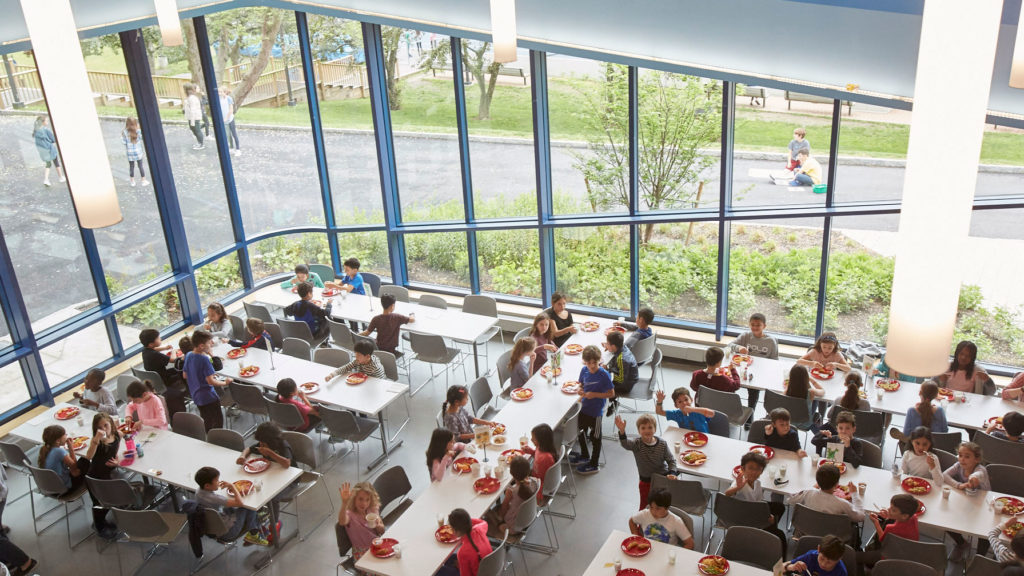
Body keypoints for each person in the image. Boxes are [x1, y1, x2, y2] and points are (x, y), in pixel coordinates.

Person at [723, 451, 786, 550]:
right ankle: (764, 533)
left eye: (758, 469)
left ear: (761, 471)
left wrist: (768, 516)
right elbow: (727, 494)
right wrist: (737, 488)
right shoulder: (739, 483)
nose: (754, 472)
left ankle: (767, 529)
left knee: (780, 507)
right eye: (750, 468)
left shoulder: (758, 484)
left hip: (754, 510)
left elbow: (760, 503)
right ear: (743, 469)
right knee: (780, 535)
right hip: (744, 517)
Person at [615, 414, 679, 510]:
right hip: (646, 481)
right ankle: (642, 523)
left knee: (662, 504)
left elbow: (671, 460)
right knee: (645, 504)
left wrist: (672, 472)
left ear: (655, 429)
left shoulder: (662, 443)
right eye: (643, 428)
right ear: (639, 431)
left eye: (650, 427)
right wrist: (622, 431)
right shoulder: (637, 444)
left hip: (662, 478)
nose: (647, 430)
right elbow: (625, 444)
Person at [570, 345, 615, 476]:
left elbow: (611, 394)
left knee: (596, 438)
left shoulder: (603, 375)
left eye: (594, 362)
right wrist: (580, 389)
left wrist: (594, 394)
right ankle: (584, 455)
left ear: (599, 360)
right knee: (580, 432)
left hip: (595, 412)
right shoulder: (584, 370)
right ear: (584, 362)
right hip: (584, 408)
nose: (592, 366)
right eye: (589, 363)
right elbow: (581, 384)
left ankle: (594, 464)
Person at [194, 466, 265, 545]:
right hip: (228, 532)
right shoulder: (214, 498)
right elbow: (240, 503)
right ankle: (253, 534)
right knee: (248, 507)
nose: (219, 482)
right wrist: (232, 486)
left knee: (232, 507)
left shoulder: (198, 492)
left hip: (213, 528)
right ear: (207, 486)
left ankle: (255, 520)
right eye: (217, 480)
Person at [728, 312, 779, 419]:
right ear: (749, 324)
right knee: (729, 383)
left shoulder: (771, 341)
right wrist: (739, 348)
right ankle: (730, 410)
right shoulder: (745, 336)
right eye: (752, 325)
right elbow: (729, 345)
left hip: (759, 372)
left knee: (753, 392)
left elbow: (775, 361)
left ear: (764, 326)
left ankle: (749, 416)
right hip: (742, 368)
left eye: (758, 325)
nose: (755, 327)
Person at [945, 442, 990, 560]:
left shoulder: (981, 470)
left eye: (967, 456)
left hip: (984, 507)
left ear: (977, 459)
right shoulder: (958, 465)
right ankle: (961, 543)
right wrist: (959, 485)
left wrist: (972, 478)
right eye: (960, 455)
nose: (962, 459)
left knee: (985, 533)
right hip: (966, 503)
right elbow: (945, 475)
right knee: (946, 520)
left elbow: (978, 475)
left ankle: (980, 557)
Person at [183, 330, 231, 431]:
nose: (212, 344)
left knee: (207, 419)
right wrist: (225, 382)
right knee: (217, 421)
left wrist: (208, 373)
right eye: (209, 342)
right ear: (201, 346)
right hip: (208, 396)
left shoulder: (188, 355)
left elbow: (185, 375)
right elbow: (211, 382)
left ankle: (209, 437)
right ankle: (217, 440)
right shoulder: (204, 359)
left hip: (196, 395)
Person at [786, 463, 865, 524]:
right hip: (831, 536)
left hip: (807, 529)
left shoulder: (808, 492)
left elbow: (790, 500)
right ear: (836, 484)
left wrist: (813, 488)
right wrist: (854, 494)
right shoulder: (842, 504)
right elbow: (860, 517)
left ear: (817, 481)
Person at [85, 413, 122, 539]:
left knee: (108, 500)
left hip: (107, 474)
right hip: (95, 477)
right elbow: (89, 456)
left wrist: (116, 463)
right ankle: (99, 526)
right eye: (99, 427)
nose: (104, 429)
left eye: (106, 425)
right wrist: (96, 440)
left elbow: (114, 454)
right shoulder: (97, 441)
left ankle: (102, 522)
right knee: (99, 504)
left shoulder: (117, 435)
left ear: (111, 423)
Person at [859, 493, 920, 568]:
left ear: (904, 516)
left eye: (893, 510)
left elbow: (882, 539)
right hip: (908, 552)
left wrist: (876, 523)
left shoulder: (890, 528)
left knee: (856, 556)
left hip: (889, 556)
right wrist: (890, 516)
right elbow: (900, 523)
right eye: (890, 507)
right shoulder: (914, 517)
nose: (888, 510)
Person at [483, 456, 538, 538]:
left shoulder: (513, 491)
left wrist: (500, 517)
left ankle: (498, 524)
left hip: (513, 527)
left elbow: (503, 509)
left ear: (511, 473)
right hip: (528, 517)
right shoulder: (535, 482)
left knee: (487, 512)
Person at [139, 328, 185, 416]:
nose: (160, 339)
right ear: (151, 343)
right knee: (181, 370)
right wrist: (174, 351)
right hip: (164, 380)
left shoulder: (145, 351)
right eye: (158, 338)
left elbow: (154, 349)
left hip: (155, 380)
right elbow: (173, 359)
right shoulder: (155, 355)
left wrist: (164, 348)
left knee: (174, 370)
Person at [628, 489, 694, 548]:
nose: (653, 512)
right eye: (651, 507)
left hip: (667, 553)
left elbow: (690, 543)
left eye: (658, 508)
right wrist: (636, 537)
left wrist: (675, 556)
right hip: (647, 549)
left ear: (667, 508)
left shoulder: (676, 521)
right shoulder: (645, 514)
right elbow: (631, 521)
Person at [337, 481, 385, 560]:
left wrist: (379, 526)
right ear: (354, 498)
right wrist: (344, 503)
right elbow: (342, 521)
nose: (364, 503)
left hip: (377, 545)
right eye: (360, 499)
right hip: (362, 552)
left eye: (367, 500)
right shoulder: (350, 515)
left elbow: (382, 531)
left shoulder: (372, 509)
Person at [38, 425, 88, 494]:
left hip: (51, 486)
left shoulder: (46, 448)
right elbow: (74, 467)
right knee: (85, 461)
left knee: (80, 465)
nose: (66, 435)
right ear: (58, 441)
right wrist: (71, 447)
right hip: (65, 487)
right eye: (64, 434)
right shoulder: (59, 451)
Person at [447, 508, 492, 576]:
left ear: (455, 531)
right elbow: (484, 522)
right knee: (450, 558)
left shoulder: (463, 552)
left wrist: (460, 566)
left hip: (479, 573)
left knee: (441, 570)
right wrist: (465, 521)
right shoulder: (479, 529)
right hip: (491, 568)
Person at [603, 331, 638, 416]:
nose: (606, 345)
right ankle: (612, 400)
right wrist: (608, 347)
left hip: (626, 385)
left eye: (608, 344)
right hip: (630, 377)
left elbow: (620, 379)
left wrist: (607, 370)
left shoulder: (622, 359)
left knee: (600, 385)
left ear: (614, 346)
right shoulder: (623, 347)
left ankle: (607, 405)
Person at [521, 423, 557, 502]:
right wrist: (531, 451)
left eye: (533, 439)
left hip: (539, 486)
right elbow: (537, 454)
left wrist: (536, 492)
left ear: (541, 441)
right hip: (534, 477)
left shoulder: (547, 458)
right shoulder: (540, 447)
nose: (531, 440)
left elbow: (547, 480)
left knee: (512, 489)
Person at [783, 534, 848, 576]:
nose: (823, 564)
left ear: (839, 559)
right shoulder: (811, 556)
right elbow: (780, 567)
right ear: (818, 549)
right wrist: (791, 567)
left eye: (829, 562)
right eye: (822, 558)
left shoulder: (841, 572)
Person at [785, 364, 825, 429]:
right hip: (805, 424)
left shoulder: (787, 391)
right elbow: (822, 391)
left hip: (788, 422)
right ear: (806, 377)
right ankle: (820, 424)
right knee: (816, 400)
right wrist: (813, 381)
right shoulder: (811, 392)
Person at [32, 115, 65, 186]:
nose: (47, 122)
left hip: (43, 151)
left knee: (48, 164)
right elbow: (53, 139)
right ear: (42, 122)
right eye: (46, 121)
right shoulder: (46, 130)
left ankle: (46, 179)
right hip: (50, 149)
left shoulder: (36, 131)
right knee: (56, 162)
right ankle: (61, 177)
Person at [121, 116, 148, 187]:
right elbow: (141, 138)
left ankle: (132, 181)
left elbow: (123, 142)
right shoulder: (138, 131)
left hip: (130, 152)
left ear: (127, 123)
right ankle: (143, 180)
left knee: (131, 166)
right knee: (140, 166)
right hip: (138, 152)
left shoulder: (124, 132)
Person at [218, 86, 240, 156]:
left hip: (230, 119)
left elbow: (231, 110)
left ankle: (238, 149)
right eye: (218, 92)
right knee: (228, 134)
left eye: (221, 92)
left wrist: (226, 118)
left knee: (234, 134)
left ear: (225, 92)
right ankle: (231, 148)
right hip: (224, 120)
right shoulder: (219, 99)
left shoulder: (229, 99)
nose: (219, 93)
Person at [183, 84, 205, 150]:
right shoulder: (189, 97)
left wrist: (192, 121)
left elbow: (193, 110)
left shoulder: (192, 98)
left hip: (195, 117)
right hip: (191, 117)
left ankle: (201, 144)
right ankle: (199, 142)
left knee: (197, 130)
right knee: (194, 130)